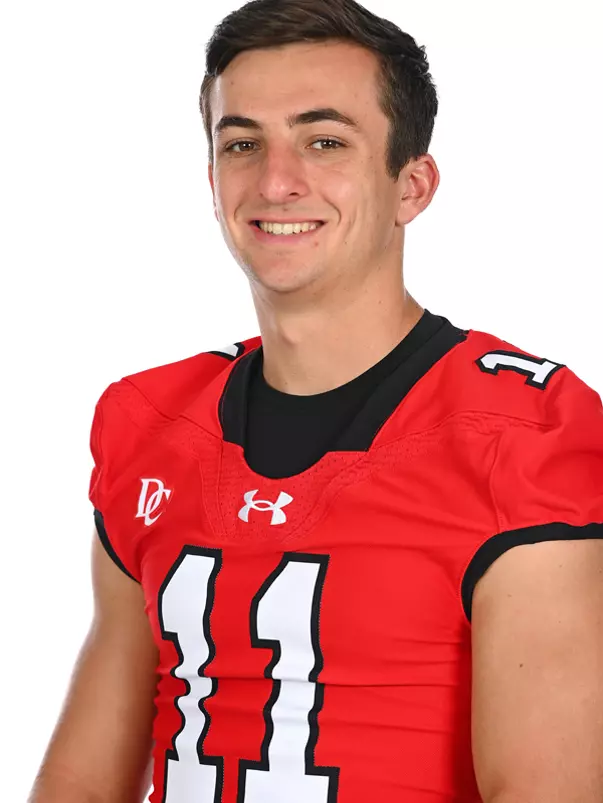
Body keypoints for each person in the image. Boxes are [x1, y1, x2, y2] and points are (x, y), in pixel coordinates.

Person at [29, 0, 603, 801]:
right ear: (212, 178)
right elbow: (83, 784)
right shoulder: (148, 420)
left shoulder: (521, 433)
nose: (276, 180)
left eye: (324, 141)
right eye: (242, 144)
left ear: (411, 185)